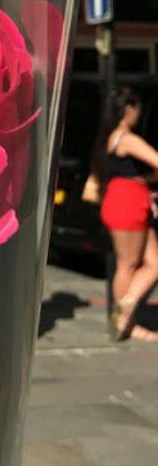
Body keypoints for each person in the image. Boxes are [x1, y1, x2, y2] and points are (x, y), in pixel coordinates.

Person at [94, 86, 158, 341]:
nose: (138, 116)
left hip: (124, 200)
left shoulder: (108, 138)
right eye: (138, 110)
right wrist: (152, 178)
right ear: (129, 109)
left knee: (153, 263)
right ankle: (124, 317)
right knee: (128, 264)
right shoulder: (126, 138)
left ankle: (126, 315)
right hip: (128, 203)